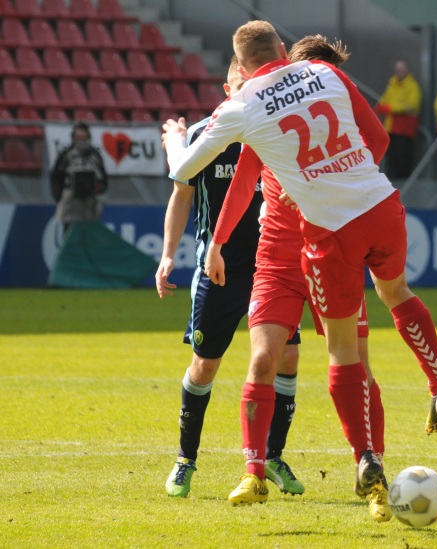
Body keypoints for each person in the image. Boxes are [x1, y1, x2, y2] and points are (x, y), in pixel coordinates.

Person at [162, 20, 437, 520]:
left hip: (328, 240)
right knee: (277, 354)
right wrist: (216, 242)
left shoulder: (247, 109)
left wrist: (174, 139)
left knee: (349, 359)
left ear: (242, 70)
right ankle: (256, 470)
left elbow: (183, 169)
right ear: (280, 50)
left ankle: (371, 469)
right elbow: (245, 183)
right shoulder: (309, 84)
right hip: (319, 236)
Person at [156, 57, 306, 499]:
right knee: (204, 367)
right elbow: (181, 194)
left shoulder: (276, 130)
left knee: (287, 359)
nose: (251, 91)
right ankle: (186, 460)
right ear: (227, 88)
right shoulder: (208, 135)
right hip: (218, 270)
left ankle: (272, 456)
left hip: (272, 266)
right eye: (243, 84)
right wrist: (168, 257)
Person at [50, 122, 108, 233]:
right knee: (69, 231)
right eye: (78, 138)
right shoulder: (66, 155)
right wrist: (58, 196)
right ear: (73, 138)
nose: (81, 141)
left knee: (89, 231)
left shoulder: (95, 155)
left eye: (83, 137)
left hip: (90, 201)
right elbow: (56, 176)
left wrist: (100, 191)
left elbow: (102, 177)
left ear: (88, 137)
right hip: (71, 199)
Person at [374, 59, 422, 180]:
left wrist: (389, 108)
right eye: (397, 69)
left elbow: (412, 105)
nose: (399, 71)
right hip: (391, 128)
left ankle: (403, 188)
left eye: (401, 69)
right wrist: (381, 107)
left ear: (407, 70)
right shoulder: (392, 84)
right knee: (392, 160)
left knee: (403, 160)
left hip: (404, 130)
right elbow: (384, 100)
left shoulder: (412, 86)